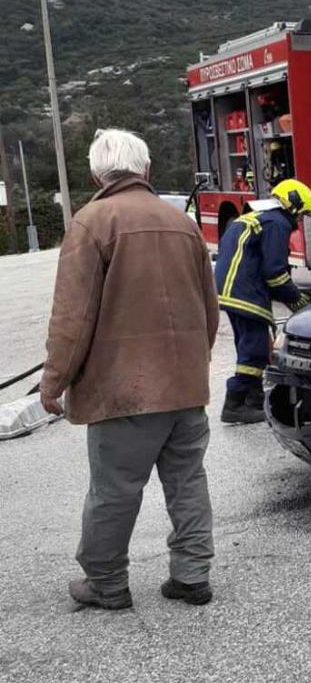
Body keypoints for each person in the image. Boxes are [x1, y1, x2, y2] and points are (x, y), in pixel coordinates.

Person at [40, 128, 220, 611]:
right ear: (146, 170)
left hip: (123, 393)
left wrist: (53, 380)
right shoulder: (181, 223)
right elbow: (209, 310)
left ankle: (106, 583)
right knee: (188, 484)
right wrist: (194, 366)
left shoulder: (92, 222)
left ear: (98, 172)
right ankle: (191, 575)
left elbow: (72, 319)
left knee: (114, 491)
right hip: (185, 389)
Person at [215, 178, 311, 423]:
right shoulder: (277, 223)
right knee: (256, 349)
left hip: (231, 290)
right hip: (245, 292)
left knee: (251, 344)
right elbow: (275, 273)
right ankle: (234, 403)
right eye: (301, 216)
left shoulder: (257, 217)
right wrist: (299, 301)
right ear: (292, 206)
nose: (299, 223)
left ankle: (254, 401)